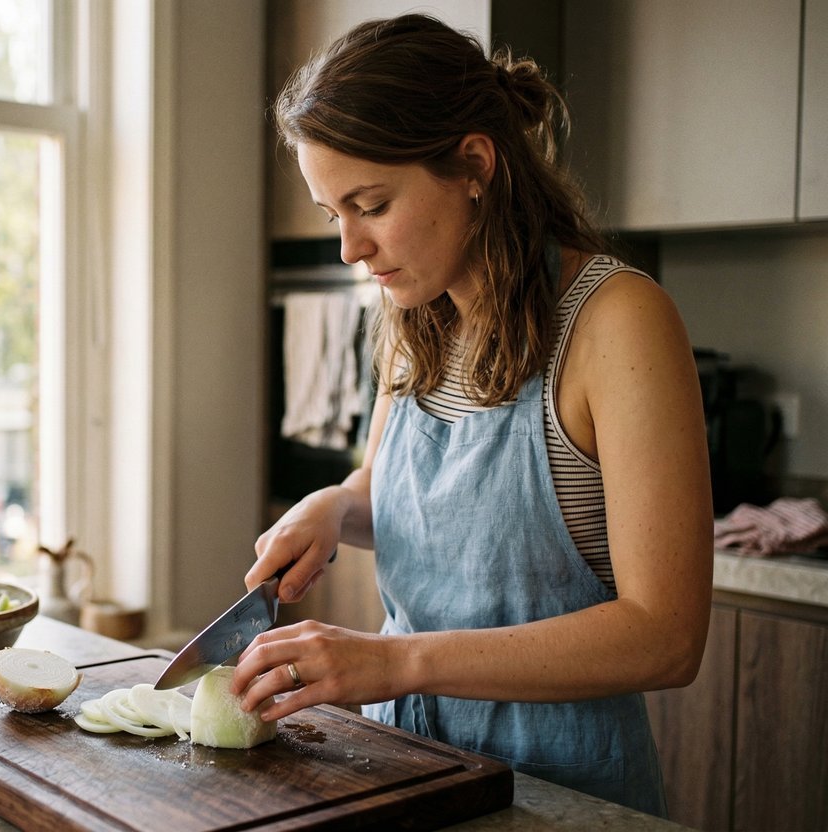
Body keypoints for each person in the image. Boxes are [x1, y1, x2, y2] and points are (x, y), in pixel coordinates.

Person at [230, 13, 713, 816]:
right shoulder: (414, 318)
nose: (349, 247)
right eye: (331, 214)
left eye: (371, 204)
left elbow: (666, 635)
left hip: (561, 798)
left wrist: (397, 663)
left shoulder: (618, 322)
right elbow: (393, 492)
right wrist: (333, 506)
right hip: (406, 774)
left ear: (474, 164)